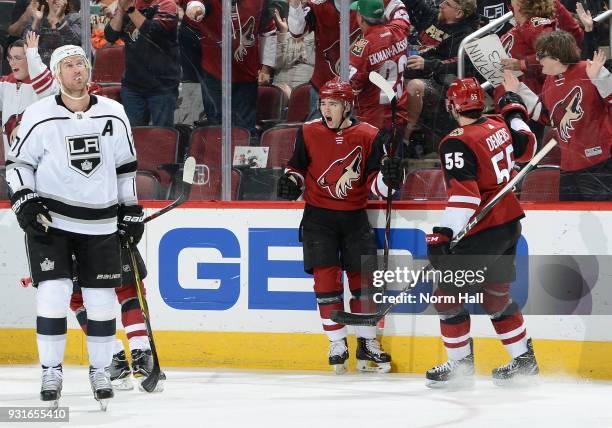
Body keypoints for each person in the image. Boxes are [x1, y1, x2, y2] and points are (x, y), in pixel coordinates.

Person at [4, 44, 143, 408]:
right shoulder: (37, 115)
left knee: (99, 303)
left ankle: (100, 370)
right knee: (53, 294)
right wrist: (25, 199)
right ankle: (51, 369)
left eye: (81, 63)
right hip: (52, 222)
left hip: (100, 222)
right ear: (56, 73)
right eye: (67, 65)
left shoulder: (114, 113)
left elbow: (125, 168)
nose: (76, 70)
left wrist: (130, 209)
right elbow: (17, 164)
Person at [276, 78, 404, 374]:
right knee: (325, 283)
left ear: (347, 106)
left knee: (364, 284)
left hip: (354, 218)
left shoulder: (369, 134)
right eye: (323, 103)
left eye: (333, 103)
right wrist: (290, 182)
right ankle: (336, 341)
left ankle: (367, 340)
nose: (326, 109)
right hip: (318, 218)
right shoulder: (308, 131)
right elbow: (296, 167)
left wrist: (390, 176)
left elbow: (378, 187)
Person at [424, 77, 539, 387]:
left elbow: (466, 196)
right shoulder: (497, 125)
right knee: (495, 294)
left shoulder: (456, 140)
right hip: (509, 224)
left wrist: (444, 233)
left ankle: (459, 366)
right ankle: (523, 360)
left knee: (447, 297)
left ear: (452, 106)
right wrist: (514, 113)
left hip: (484, 230)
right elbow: (528, 147)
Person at [503, 31, 612, 200]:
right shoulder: (550, 81)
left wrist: (601, 80)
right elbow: (549, 118)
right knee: (570, 222)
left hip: (600, 163)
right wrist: (520, 91)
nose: (537, 60)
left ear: (557, 56)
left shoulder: (590, 69)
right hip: (568, 166)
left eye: (541, 55)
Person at [288, 0, 409, 119]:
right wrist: (294, 4)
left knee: (354, 136)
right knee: (321, 136)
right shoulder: (317, 5)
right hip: (325, 90)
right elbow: (297, 32)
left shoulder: (373, 3)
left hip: (360, 96)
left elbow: (397, 7)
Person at [70, 246, 164, 391]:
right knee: (129, 291)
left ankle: (114, 360)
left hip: (73, 249)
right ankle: (142, 359)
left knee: (79, 301)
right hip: (112, 241)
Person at [183, 0, 278, 137]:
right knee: (217, 129)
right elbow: (197, 5)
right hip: (214, 75)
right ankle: (217, 158)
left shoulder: (259, 2)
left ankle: (240, 158)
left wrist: (266, 68)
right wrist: (195, 8)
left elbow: (268, 32)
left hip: (246, 77)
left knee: (244, 130)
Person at [401, 0, 480, 155]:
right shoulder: (433, 16)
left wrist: (428, 64)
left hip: (439, 83)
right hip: (411, 69)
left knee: (414, 86)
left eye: (447, 4)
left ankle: (405, 138)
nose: (441, 5)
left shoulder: (465, 35)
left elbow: (461, 62)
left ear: (459, 13)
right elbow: (414, 3)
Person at [105, 0, 180, 127]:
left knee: (162, 137)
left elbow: (152, 32)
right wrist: (121, 10)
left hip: (162, 86)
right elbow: (110, 36)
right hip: (132, 86)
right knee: (133, 135)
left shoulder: (167, 5)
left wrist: (130, 9)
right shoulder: (130, 4)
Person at [349, 0, 410, 144]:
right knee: (393, 165)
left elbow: (352, 87)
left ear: (360, 17)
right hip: (399, 118)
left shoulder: (363, 47)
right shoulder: (399, 31)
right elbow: (400, 9)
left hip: (371, 122)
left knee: (372, 166)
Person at [1, 31, 56, 158]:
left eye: (18, 58)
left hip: (39, 153)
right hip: (11, 156)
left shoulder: (46, 83)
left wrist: (32, 54)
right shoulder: (5, 83)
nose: (12, 63)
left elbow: (46, 89)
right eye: (10, 58)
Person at [22, 0, 83, 67]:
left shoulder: (75, 18)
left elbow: (75, 43)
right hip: (41, 71)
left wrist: (60, 21)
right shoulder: (36, 17)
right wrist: (36, 22)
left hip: (66, 71)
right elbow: (26, 46)